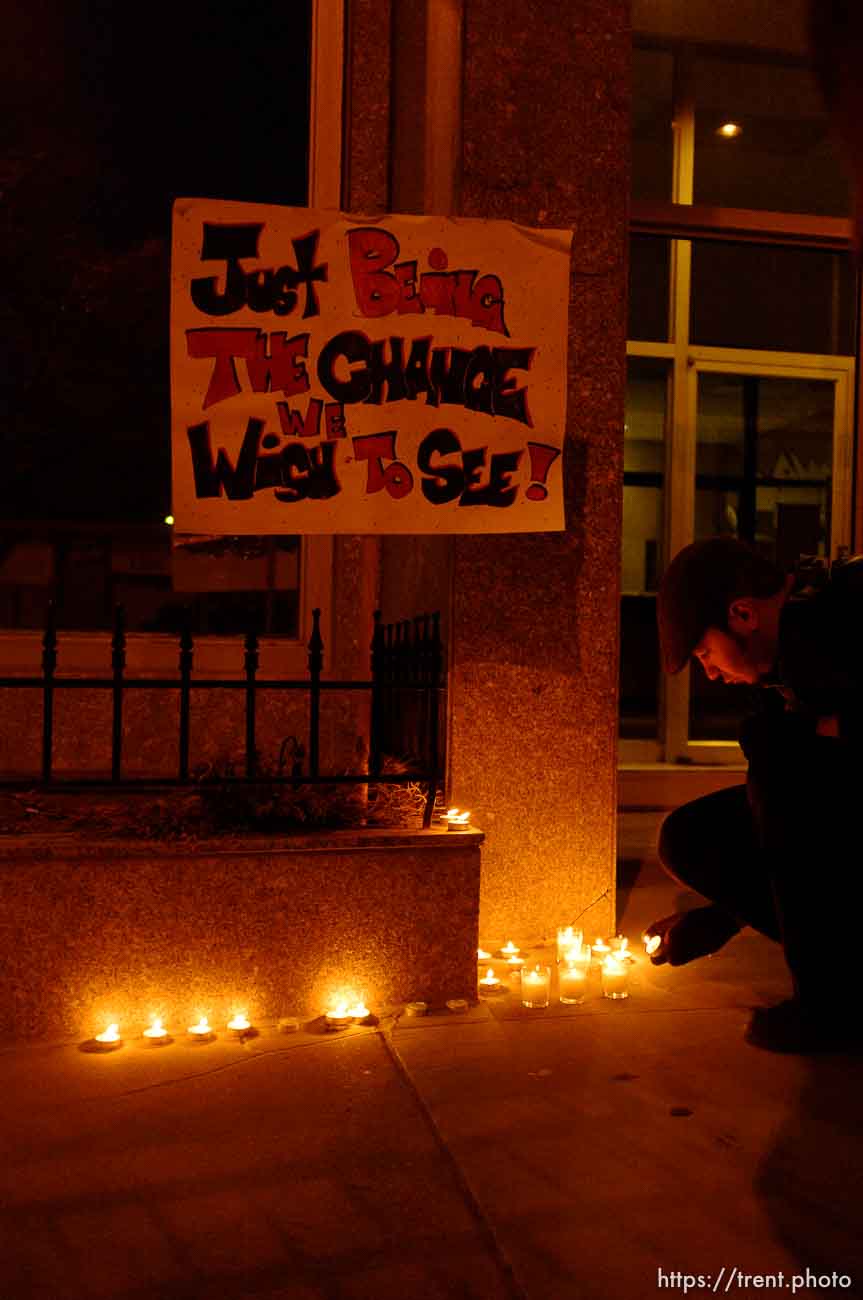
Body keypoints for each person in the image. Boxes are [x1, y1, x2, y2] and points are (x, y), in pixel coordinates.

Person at [644, 536, 863, 1052]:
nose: (712, 673)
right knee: (692, 837)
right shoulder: (789, 657)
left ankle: (833, 1009)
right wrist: (721, 917)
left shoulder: (847, 614)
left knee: (782, 763)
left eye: (705, 653)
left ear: (742, 614)